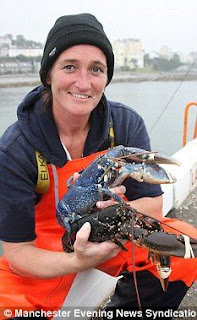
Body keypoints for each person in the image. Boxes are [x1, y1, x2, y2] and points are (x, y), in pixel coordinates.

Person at [0, 13, 196, 319]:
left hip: (110, 232)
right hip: (43, 254)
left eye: (96, 69)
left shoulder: (125, 123)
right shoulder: (15, 148)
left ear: (107, 77)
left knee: (185, 249)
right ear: (48, 74)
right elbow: (18, 253)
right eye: (69, 66)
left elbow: (154, 206)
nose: (83, 82)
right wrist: (78, 261)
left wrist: (109, 215)